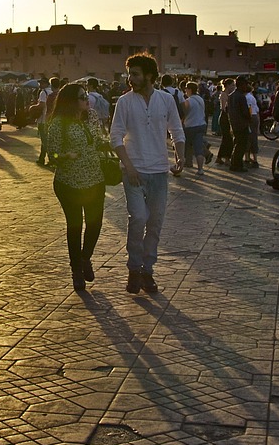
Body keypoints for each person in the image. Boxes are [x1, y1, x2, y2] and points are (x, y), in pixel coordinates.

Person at [110, 54, 185, 295]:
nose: (131, 79)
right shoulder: (125, 102)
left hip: (159, 172)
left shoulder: (165, 100)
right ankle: (134, 268)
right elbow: (115, 136)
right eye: (129, 74)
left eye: (135, 74)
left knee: (155, 222)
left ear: (149, 76)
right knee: (139, 218)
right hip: (134, 171)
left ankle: (147, 270)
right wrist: (129, 167)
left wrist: (180, 157)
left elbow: (176, 129)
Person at [46, 83, 107, 291]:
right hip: (68, 183)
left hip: (95, 179)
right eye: (82, 97)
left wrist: (108, 144)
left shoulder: (92, 117)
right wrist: (65, 156)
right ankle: (76, 270)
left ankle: (84, 258)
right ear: (71, 101)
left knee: (95, 224)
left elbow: (98, 140)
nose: (86, 99)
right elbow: (51, 155)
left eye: (87, 95)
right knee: (75, 226)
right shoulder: (58, 124)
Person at [227, 77, 253, 172]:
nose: (246, 87)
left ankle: (234, 163)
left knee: (237, 144)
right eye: (245, 84)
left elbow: (227, 110)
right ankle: (237, 165)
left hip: (234, 123)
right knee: (241, 145)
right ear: (241, 85)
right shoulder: (241, 97)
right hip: (242, 124)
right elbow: (245, 112)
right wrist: (249, 119)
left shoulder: (231, 96)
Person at [181, 81, 207, 175]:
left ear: (190, 90)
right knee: (198, 148)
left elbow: (185, 113)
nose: (185, 91)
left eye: (186, 89)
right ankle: (200, 169)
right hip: (201, 125)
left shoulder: (188, 101)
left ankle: (186, 163)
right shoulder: (200, 99)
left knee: (186, 145)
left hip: (190, 126)